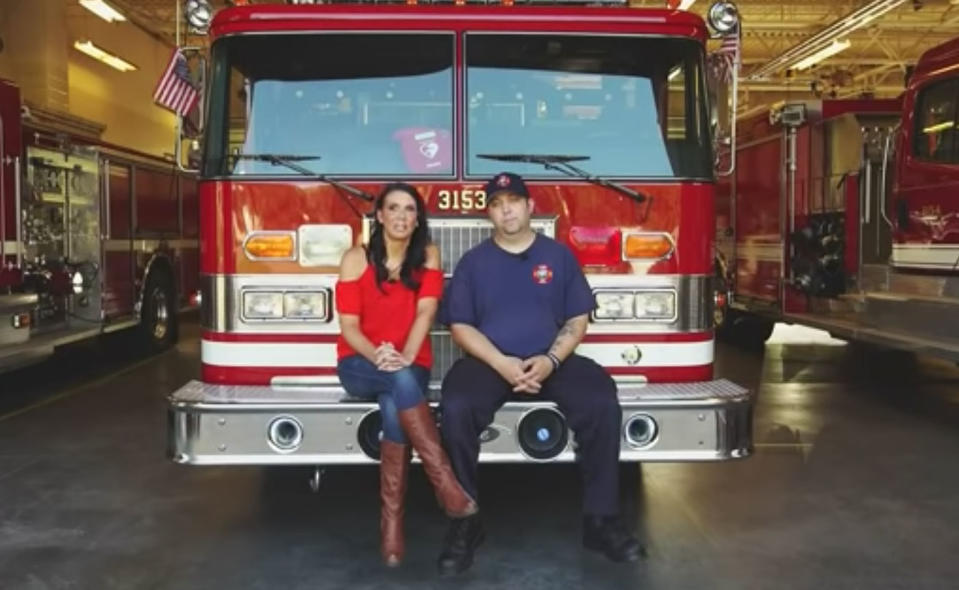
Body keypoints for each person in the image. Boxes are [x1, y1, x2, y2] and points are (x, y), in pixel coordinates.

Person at [436, 172, 641, 575]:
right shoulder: (473, 263)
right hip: (491, 363)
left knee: (601, 400)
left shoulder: (559, 256)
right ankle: (465, 521)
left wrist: (550, 361)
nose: (506, 209)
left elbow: (578, 318)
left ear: (530, 207)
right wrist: (502, 363)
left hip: (552, 360)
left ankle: (601, 520)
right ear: (489, 214)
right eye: (497, 203)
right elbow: (460, 326)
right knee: (456, 405)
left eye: (513, 200)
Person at [335, 183, 477, 568]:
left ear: (418, 219)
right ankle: (443, 482)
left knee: (395, 400)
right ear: (379, 216)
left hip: (410, 361)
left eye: (409, 210)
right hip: (359, 363)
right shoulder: (355, 259)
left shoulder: (428, 255)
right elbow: (349, 328)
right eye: (393, 208)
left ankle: (391, 527)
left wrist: (406, 355)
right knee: (399, 384)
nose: (401, 216)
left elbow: (425, 313)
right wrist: (380, 356)